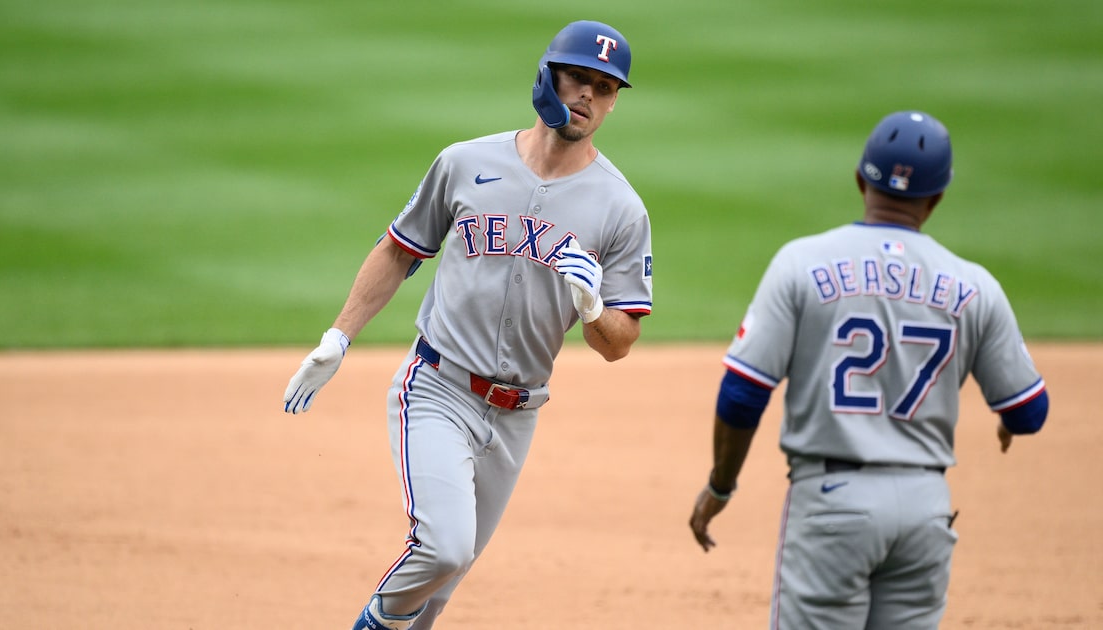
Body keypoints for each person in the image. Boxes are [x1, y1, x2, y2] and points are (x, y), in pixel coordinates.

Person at [283, 20, 653, 630]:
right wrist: (338, 336)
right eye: (578, 79)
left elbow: (619, 343)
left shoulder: (621, 208)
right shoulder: (465, 162)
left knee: (440, 589)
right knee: (443, 548)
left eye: (606, 88)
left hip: (518, 414)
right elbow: (400, 249)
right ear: (547, 76)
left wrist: (593, 310)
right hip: (440, 387)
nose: (589, 96)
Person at [688, 111, 1049, 629]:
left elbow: (742, 395)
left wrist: (721, 486)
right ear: (938, 197)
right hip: (926, 509)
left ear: (860, 180)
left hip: (833, 502)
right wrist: (1009, 422)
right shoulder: (976, 286)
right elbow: (1028, 409)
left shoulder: (801, 262)